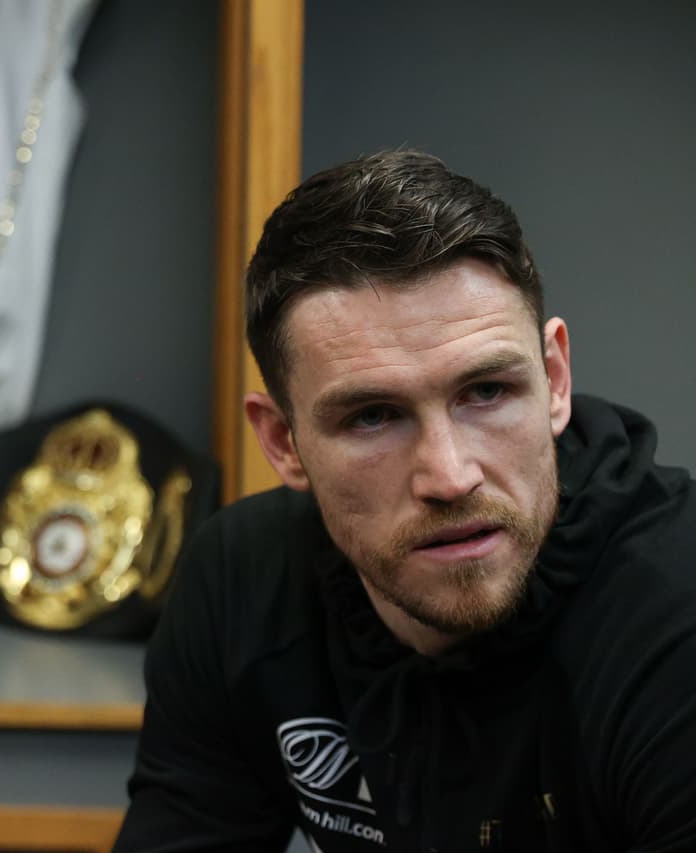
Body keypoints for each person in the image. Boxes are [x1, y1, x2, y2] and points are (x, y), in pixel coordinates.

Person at [114, 150, 696, 852]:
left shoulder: (674, 620)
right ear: (284, 442)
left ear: (555, 380)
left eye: (486, 392)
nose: (449, 477)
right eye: (372, 417)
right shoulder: (243, 582)